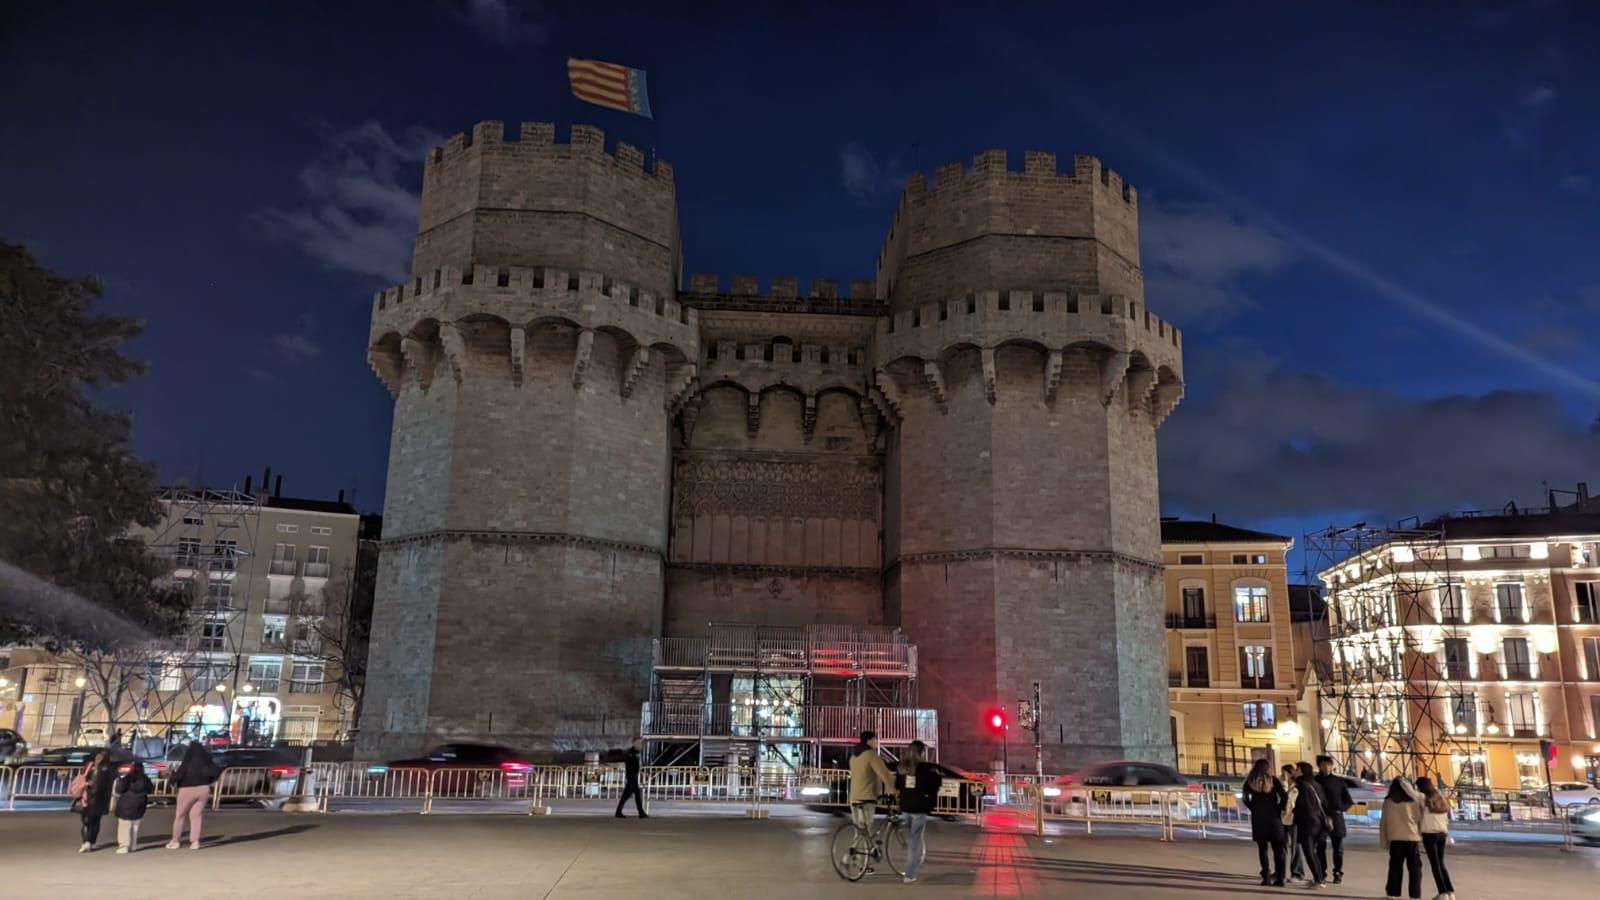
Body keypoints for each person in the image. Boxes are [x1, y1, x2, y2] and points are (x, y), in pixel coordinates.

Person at [894, 739, 942, 885]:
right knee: (915, 841)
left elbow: (897, 785)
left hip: (905, 806)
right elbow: (935, 785)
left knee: (911, 838)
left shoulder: (902, 767)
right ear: (922, 752)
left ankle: (910, 866)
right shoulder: (926, 768)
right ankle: (909, 874)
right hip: (920, 808)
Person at [847, 731, 895, 870]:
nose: (876, 741)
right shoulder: (871, 755)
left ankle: (856, 860)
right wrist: (892, 789)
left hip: (854, 797)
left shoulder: (854, 756)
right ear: (869, 740)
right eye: (875, 739)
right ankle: (859, 864)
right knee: (865, 830)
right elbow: (884, 773)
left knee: (860, 830)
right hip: (866, 798)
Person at [1241, 759, 1287, 886]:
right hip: (1274, 818)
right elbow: (1284, 796)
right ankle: (1280, 878)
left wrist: (1253, 807)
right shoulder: (1273, 781)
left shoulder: (1250, 782)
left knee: (1263, 849)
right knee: (1278, 849)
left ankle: (1266, 877)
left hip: (1259, 818)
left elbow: (1245, 798)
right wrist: (1279, 808)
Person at [167, 741, 220, 850]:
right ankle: (195, 842)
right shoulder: (207, 762)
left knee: (180, 816)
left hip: (186, 789)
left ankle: (175, 841)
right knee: (196, 816)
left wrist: (172, 780)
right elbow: (216, 771)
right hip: (204, 789)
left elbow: (179, 774)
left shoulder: (188, 761)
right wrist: (209, 781)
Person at [1378, 777, 1424, 900]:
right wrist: (1419, 835)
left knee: (1395, 867)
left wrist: (1384, 841)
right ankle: (1415, 895)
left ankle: (1393, 893)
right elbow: (1420, 820)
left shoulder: (1388, 801)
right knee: (1415, 869)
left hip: (1395, 840)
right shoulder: (1414, 801)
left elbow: (1383, 823)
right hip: (1412, 839)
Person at [1313, 755, 1354, 884]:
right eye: (1323, 764)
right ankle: (1322, 872)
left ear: (1332, 766)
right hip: (1319, 818)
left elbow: (1348, 801)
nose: (1326, 767)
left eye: (1329, 764)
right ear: (1319, 766)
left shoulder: (1339, 782)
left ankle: (1338, 872)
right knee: (1320, 847)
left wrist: (1340, 808)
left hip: (1336, 818)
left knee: (1338, 848)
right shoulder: (1315, 781)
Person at [1291, 761, 1330, 887]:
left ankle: (1318, 880)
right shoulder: (1316, 785)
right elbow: (1324, 802)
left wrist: (1293, 814)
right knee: (1313, 852)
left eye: (1297, 769)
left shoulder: (1300, 785)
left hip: (1307, 821)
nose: (1295, 771)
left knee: (1309, 852)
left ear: (1302, 771)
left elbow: (1299, 804)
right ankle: (1320, 878)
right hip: (1318, 821)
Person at [1415, 776, 1455, 900]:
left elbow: (1419, 817)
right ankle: (1450, 891)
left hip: (1429, 834)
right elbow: (1446, 817)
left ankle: (1442, 893)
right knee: (1441, 863)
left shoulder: (1423, 800)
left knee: (1435, 865)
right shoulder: (1441, 798)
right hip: (1442, 834)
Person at [72, 752, 117, 852]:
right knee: (96, 822)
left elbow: (83, 778)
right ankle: (92, 842)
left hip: (87, 798)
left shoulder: (89, 767)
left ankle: (86, 842)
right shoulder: (109, 770)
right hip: (101, 799)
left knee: (86, 822)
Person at [113, 759, 154, 854]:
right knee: (135, 825)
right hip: (140, 803)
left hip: (126, 803)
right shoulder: (145, 778)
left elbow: (118, 789)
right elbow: (150, 789)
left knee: (125, 825)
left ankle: (124, 846)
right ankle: (133, 845)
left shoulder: (127, 777)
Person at [1279, 764, 1304, 882]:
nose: (1283, 776)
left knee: (1295, 846)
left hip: (1294, 819)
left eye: (1285, 773)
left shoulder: (1297, 786)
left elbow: (1289, 802)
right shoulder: (1281, 785)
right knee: (1281, 846)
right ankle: (1280, 872)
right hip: (1282, 820)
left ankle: (1297, 873)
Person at [615, 737, 647, 818]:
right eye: (639, 743)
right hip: (631, 776)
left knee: (626, 795)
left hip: (633, 776)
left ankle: (618, 812)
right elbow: (629, 765)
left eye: (641, 743)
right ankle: (641, 812)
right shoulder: (631, 753)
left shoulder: (636, 752)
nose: (641, 745)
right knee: (637, 794)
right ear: (634, 744)